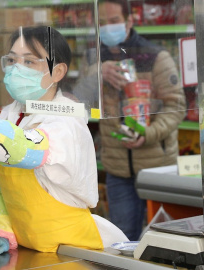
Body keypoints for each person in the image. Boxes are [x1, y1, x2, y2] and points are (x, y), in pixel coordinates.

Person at [0, 25, 128, 257]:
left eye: (29, 62)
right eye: (11, 61)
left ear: (58, 71)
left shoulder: (66, 121)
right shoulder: (11, 114)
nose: (16, 69)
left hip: (74, 249)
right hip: (29, 248)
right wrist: (1, 231)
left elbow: (21, 149)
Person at [77, 0, 186, 241]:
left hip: (157, 167)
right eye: (102, 23)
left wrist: (148, 133)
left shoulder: (155, 56)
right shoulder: (94, 58)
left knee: (166, 237)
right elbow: (79, 101)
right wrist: (97, 72)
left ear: (129, 21)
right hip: (117, 168)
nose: (108, 28)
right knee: (122, 239)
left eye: (114, 21)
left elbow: (175, 106)